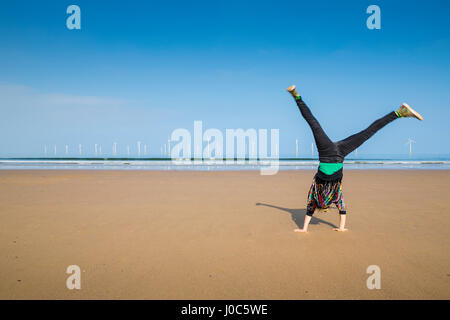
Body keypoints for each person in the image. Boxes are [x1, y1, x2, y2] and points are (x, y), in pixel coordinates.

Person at [286, 85, 423, 233]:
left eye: (324, 209)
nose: (325, 209)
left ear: (322, 206)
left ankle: (296, 96)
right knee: (367, 132)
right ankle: (400, 112)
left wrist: (306, 229)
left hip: (328, 153)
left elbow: (319, 211)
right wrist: (340, 228)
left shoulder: (320, 197)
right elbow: (341, 211)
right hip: (337, 154)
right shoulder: (333, 196)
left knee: (315, 124)